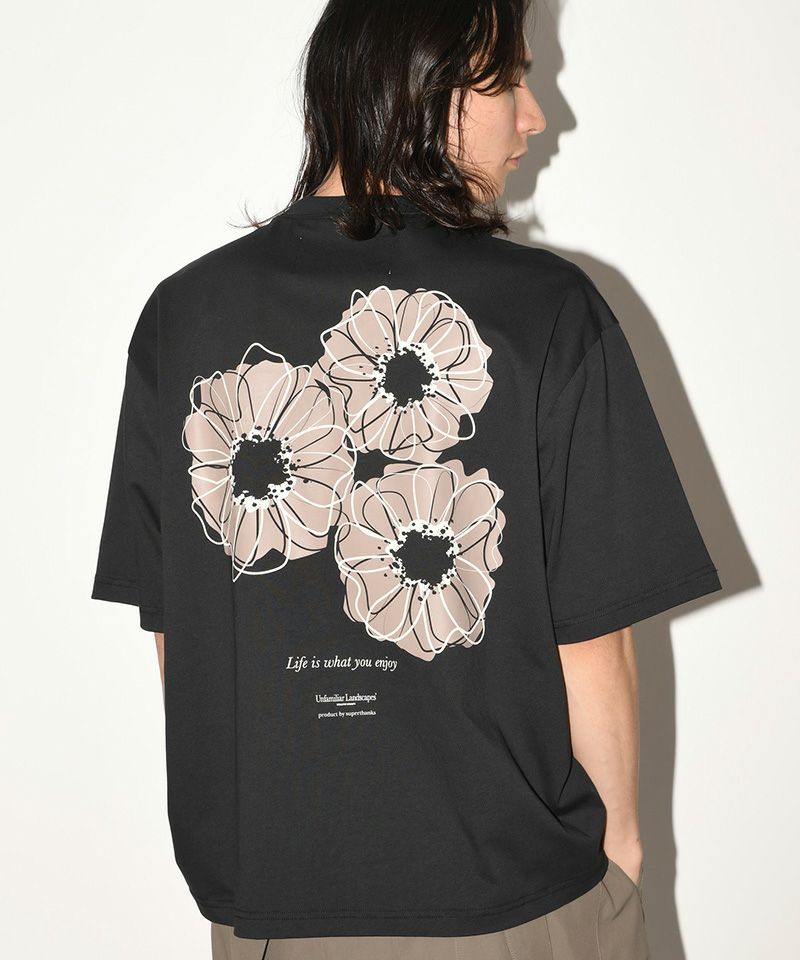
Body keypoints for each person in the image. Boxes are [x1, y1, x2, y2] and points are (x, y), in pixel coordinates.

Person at [90, 1, 722, 957]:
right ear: (428, 83)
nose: (536, 116)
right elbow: (594, 636)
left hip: (273, 911)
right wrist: (626, 860)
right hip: (513, 906)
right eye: (511, 80)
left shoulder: (183, 318)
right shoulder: (546, 312)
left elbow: (181, 629)